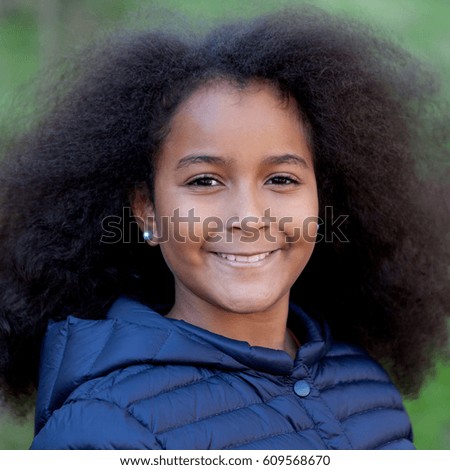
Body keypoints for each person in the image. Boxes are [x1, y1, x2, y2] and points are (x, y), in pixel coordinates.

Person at [0, 7, 448, 450]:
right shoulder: (103, 432)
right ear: (146, 210)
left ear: (321, 200)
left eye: (281, 179)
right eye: (205, 181)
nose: (248, 216)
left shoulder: (366, 385)